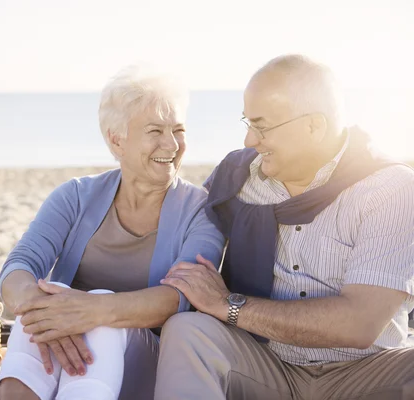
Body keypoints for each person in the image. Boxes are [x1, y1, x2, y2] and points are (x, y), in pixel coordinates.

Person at [157, 54, 414, 400]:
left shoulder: (389, 188)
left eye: (261, 126)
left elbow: (361, 322)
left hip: (365, 373)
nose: (249, 140)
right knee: (188, 331)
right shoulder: (236, 177)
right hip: (266, 364)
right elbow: (173, 229)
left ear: (314, 126)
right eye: (247, 123)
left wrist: (229, 304)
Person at [0, 65, 225, 400]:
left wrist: (91, 311)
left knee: (100, 317)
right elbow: (20, 266)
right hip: (65, 351)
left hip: (151, 368)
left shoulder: (201, 211)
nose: (172, 144)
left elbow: (180, 297)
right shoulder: (74, 196)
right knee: (43, 302)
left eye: (178, 130)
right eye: (155, 131)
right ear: (117, 140)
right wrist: (41, 312)